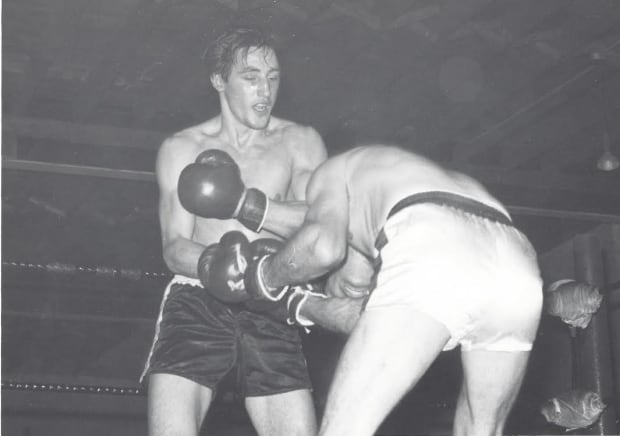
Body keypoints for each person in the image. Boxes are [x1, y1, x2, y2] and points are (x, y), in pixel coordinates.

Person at [242, 144, 544, 436]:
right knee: (483, 431)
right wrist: (300, 304)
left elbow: (322, 248)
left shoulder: (329, 174)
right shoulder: (394, 180)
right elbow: (362, 314)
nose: (349, 292)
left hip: (435, 234)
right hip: (516, 261)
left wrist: (263, 277)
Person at [140, 26, 328, 436]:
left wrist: (247, 204)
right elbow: (174, 246)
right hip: (197, 297)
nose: (265, 89)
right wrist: (214, 263)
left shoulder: (300, 141)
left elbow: (320, 224)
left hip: (272, 297)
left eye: (273, 76)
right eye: (251, 77)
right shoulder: (182, 148)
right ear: (218, 80)